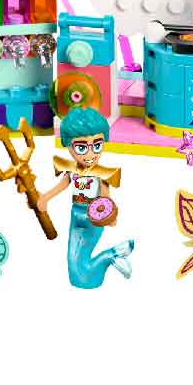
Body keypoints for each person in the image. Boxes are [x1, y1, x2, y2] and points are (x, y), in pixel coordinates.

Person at [37, 108, 134, 289]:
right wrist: (45, 198)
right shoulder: (72, 171)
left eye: (96, 146)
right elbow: (61, 186)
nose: (90, 155)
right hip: (75, 215)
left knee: (79, 268)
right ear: (68, 145)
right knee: (73, 262)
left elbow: (105, 198)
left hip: (93, 218)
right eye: (81, 148)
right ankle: (113, 255)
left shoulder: (101, 174)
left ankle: (111, 256)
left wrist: (110, 216)